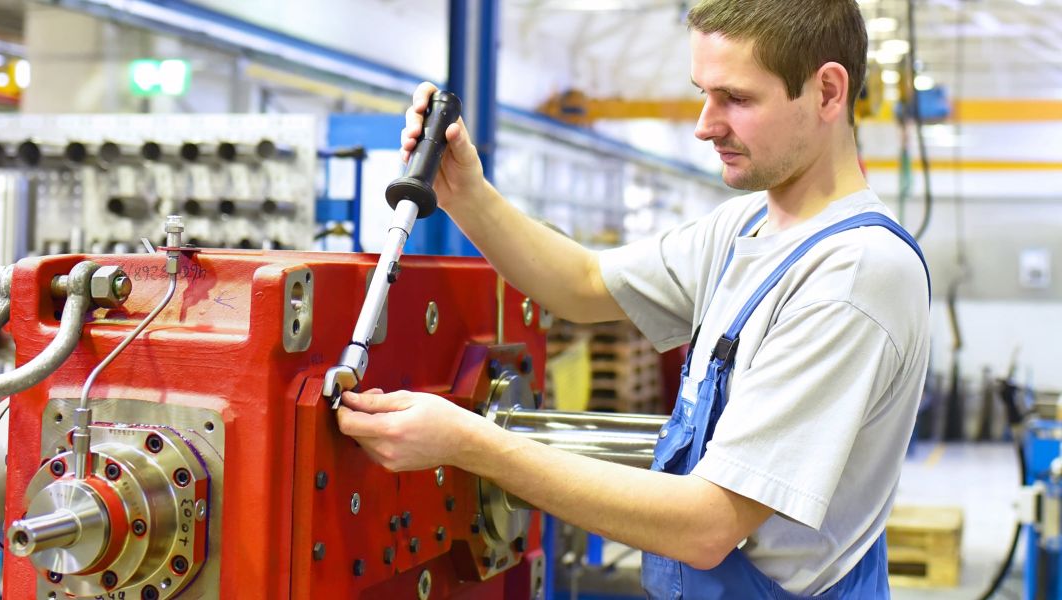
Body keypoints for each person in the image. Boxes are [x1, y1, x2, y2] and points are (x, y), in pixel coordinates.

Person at [336, 0, 931, 597]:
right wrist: (467, 192)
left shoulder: (852, 277)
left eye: (737, 99)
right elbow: (585, 284)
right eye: (703, 92)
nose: (704, 124)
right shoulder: (748, 226)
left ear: (828, 91)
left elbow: (708, 524)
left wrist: (471, 445)